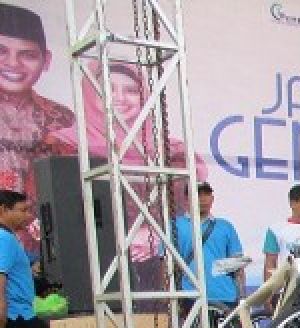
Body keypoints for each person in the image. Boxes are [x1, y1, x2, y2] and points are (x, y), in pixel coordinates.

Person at [45, 59, 208, 306]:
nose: (119, 98)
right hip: (96, 265)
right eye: (108, 88)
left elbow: (182, 203)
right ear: (90, 93)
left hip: (155, 266)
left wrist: (154, 233)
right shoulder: (65, 145)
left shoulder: (171, 150)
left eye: (131, 90)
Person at [0, 3, 74, 257]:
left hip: (45, 251)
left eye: (27, 55)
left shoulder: (63, 120)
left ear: (46, 60)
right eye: (2, 51)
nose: (13, 64)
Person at [175, 182, 244, 305]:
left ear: (212, 198)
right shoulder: (175, 225)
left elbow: (238, 264)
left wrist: (242, 297)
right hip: (191, 295)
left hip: (226, 296)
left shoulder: (225, 226)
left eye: (207, 194)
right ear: (186, 199)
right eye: (198, 194)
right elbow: (166, 263)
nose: (203, 199)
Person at [0, 189, 48, 328]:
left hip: (17, 315)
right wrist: (1, 310)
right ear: (4, 210)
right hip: (16, 317)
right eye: (22, 210)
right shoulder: (3, 238)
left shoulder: (8, 237)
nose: (28, 216)